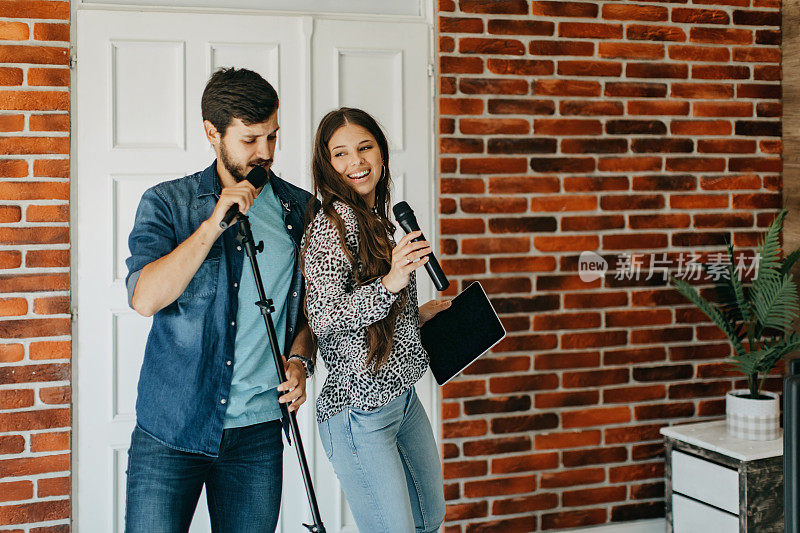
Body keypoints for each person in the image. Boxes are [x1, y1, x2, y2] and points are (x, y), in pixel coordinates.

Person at [124, 67, 316, 533]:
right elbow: (145, 298)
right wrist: (213, 225)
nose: (266, 152)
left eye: (273, 136)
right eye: (250, 139)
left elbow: (311, 314)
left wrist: (299, 360)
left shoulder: (301, 209)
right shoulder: (167, 203)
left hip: (258, 435)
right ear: (213, 133)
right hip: (171, 429)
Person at [300, 107, 448, 532]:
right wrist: (391, 283)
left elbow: (370, 319)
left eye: (365, 147)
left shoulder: (379, 222)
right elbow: (324, 316)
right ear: (327, 165)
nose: (356, 162)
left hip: (402, 399)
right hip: (359, 412)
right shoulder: (331, 225)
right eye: (341, 154)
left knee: (429, 518)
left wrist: (413, 318)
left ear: (381, 153)